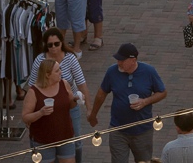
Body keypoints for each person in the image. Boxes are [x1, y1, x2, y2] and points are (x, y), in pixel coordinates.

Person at [88, 44, 166, 163]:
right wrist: (93, 114)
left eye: (122, 60)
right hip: (118, 130)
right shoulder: (112, 72)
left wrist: (145, 101)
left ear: (133, 60)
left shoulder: (149, 72)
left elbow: (162, 92)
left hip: (143, 131)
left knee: (144, 161)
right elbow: (101, 93)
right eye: (118, 59)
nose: (119, 62)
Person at [25, 28, 88, 163]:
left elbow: (81, 83)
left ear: (61, 43)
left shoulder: (69, 64)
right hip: (45, 124)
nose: (53, 47)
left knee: (76, 142)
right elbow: (32, 87)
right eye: (50, 45)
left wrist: (85, 105)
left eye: (56, 44)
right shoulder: (40, 62)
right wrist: (37, 112)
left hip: (66, 108)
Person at [23, 59, 77, 163]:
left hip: (65, 135)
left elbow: (70, 105)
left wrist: (75, 99)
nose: (61, 72)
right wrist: (40, 113)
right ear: (47, 74)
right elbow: (25, 117)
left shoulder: (64, 84)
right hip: (42, 140)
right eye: (57, 71)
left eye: (60, 69)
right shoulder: (33, 92)